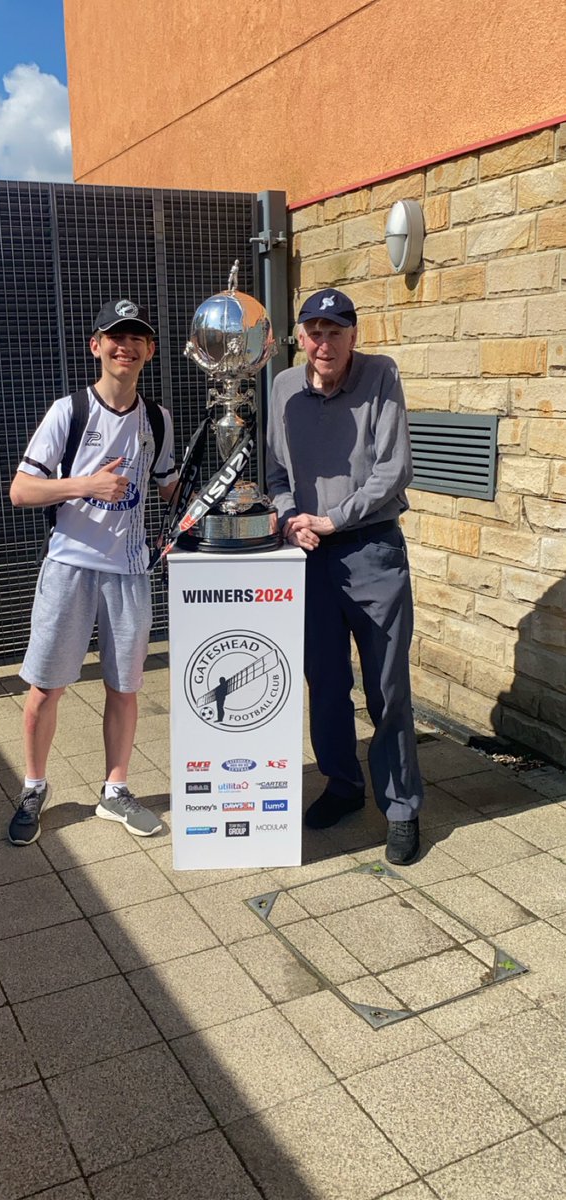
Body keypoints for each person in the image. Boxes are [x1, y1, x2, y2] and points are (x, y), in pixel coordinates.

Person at [7, 300, 179, 846]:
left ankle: (115, 790)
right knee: (46, 689)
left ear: (149, 351)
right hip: (70, 569)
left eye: (136, 338)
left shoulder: (157, 419)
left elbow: (171, 488)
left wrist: (188, 522)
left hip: (129, 572)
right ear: (96, 346)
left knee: (124, 687)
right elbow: (21, 490)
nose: (125, 346)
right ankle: (34, 787)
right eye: (115, 337)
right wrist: (84, 484)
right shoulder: (69, 411)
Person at [266, 288, 423, 865]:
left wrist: (332, 519)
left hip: (370, 549)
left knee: (387, 688)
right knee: (325, 681)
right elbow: (276, 471)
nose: (323, 342)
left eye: (335, 331)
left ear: (354, 335)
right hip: (309, 556)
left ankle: (402, 806)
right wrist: (288, 519)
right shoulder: (283, 387)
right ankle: (343, 785)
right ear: (300, 337)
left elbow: (394, 469)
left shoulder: (381, 376)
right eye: (313, 331)